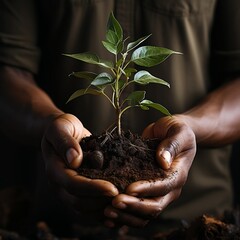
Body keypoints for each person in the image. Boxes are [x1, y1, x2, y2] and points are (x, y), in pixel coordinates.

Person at [0, 0, 240, 236]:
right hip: (59, 223)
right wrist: (50, 123)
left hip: (196, 223)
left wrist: (191, 127)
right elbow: (8, 70)